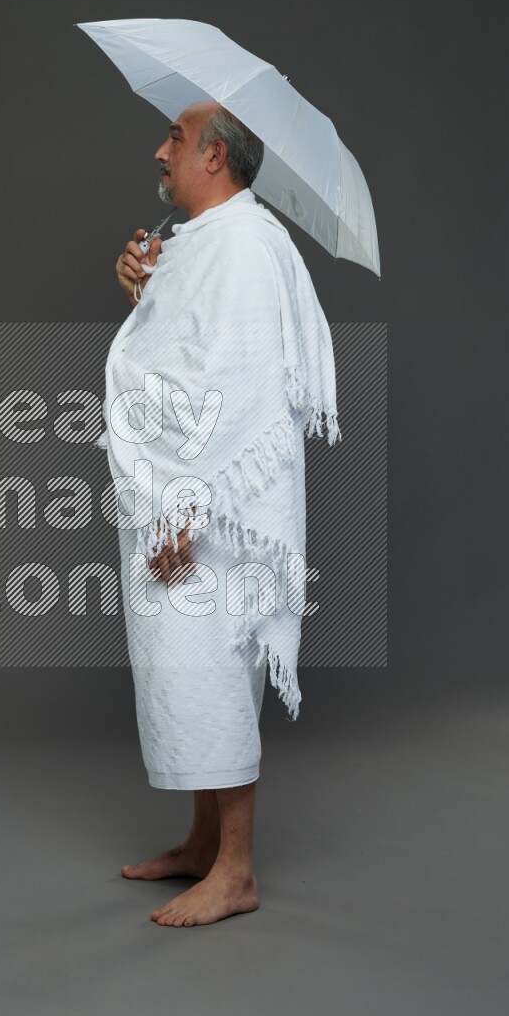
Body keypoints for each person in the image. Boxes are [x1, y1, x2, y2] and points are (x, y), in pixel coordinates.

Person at [99, 100, 340, 927]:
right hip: (184, 495)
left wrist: (184, 511)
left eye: (176, 138)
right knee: (185, 668)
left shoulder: (241, 245)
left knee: (213, 667)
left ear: (216, 159)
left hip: (214, 506)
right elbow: (183, 354)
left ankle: (235, 870)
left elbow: (241, 393)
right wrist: (140, 288)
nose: (159, 150)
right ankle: (204, 843)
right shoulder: (204, 240)